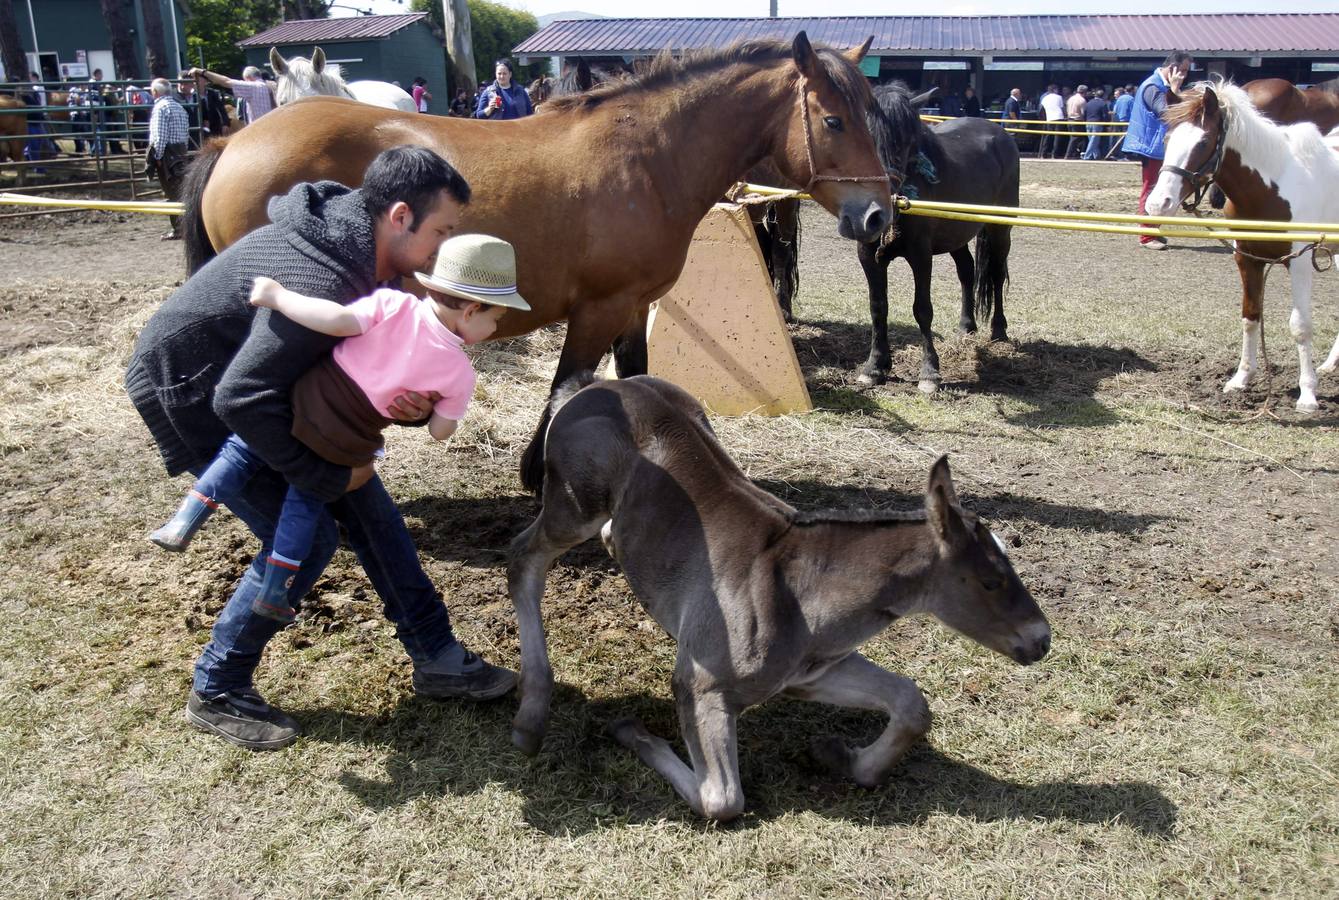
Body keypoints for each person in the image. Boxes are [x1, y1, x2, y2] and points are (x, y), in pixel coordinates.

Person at [124, 146, 517, 751]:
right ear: (401, 216)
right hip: (195, 390)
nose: (443, 250)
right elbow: (242, 398)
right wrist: (329, 476)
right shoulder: (322, 273)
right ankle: (218, 686)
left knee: (375, 512)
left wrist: (407, 412)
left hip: (287, 394)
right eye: (441, 231)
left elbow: (369, 366)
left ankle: (436, 655)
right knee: (305, 538)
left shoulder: (370, 258)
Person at [151, 235, 528, 624]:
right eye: (495, 318)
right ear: (471, 310)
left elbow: (336, 320)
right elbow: (440, 432)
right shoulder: (460, 373)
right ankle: (275, 589)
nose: (495, 327)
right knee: (305, 501)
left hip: (306, 400)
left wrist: (278, 297)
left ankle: (184, 519)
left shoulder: (393, 303)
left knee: (241, 450)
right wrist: (433, 410)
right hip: (348, 439)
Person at [1126, 52, 1193, 250]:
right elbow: (1166, 114)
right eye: (1182, 70)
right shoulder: (1152, 87)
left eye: (1186, 72)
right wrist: (1174, 89)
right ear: (1171, 67)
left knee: (1158, 188)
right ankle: (1146, 236)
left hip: (1159, 147)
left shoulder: (1158, 85)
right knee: (1151, 188)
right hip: (1152, 147)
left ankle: (1152, 231)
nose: (1184, 75)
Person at [144, 78, 190, 240]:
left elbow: (159, 136)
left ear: (155, 92)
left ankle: (177, 228)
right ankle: (185, 226)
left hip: (168, 155)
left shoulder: (160, 108)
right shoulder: (179, 107)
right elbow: (185, 134)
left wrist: (157, 156)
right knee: (181, 190)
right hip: (180, 153)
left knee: (171, 192)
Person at [188, 65, 276, 124]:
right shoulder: (273, 86)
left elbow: (225, 81)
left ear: (248, 78)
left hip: (259, 129)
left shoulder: (253, 87)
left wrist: (202, 72)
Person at [1082, 88, 1110, 161]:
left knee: (1092, 140)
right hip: (1097, 123)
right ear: (1103, 96)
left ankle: (1096, 155)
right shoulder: (1103, 104)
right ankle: (1087, 156)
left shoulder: (1088, 103)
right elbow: (1105, 116)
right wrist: (1106, 125)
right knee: (1094, 141)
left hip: (1088, 123)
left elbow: (1084, 113)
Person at [1038, 84, 1064, 159]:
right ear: (1054, 90)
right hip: (1059, 117)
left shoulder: (1044, 98)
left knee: (1048, 136)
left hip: (1049, 118)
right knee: (1057, 136)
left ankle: (1044, 153)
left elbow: (1041, 110)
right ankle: (1054, 154)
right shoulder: (1059, 97)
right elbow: (1062, 108)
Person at [1064, 84, 1089, 159]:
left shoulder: (1070, 98)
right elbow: (1083, 112)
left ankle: (1074, 154)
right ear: (1085, 92)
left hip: (1069, 120)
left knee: (1073, 138)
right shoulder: (1082, 100)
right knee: (1075, 139)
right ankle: (1068, 155)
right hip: (1077, 120)